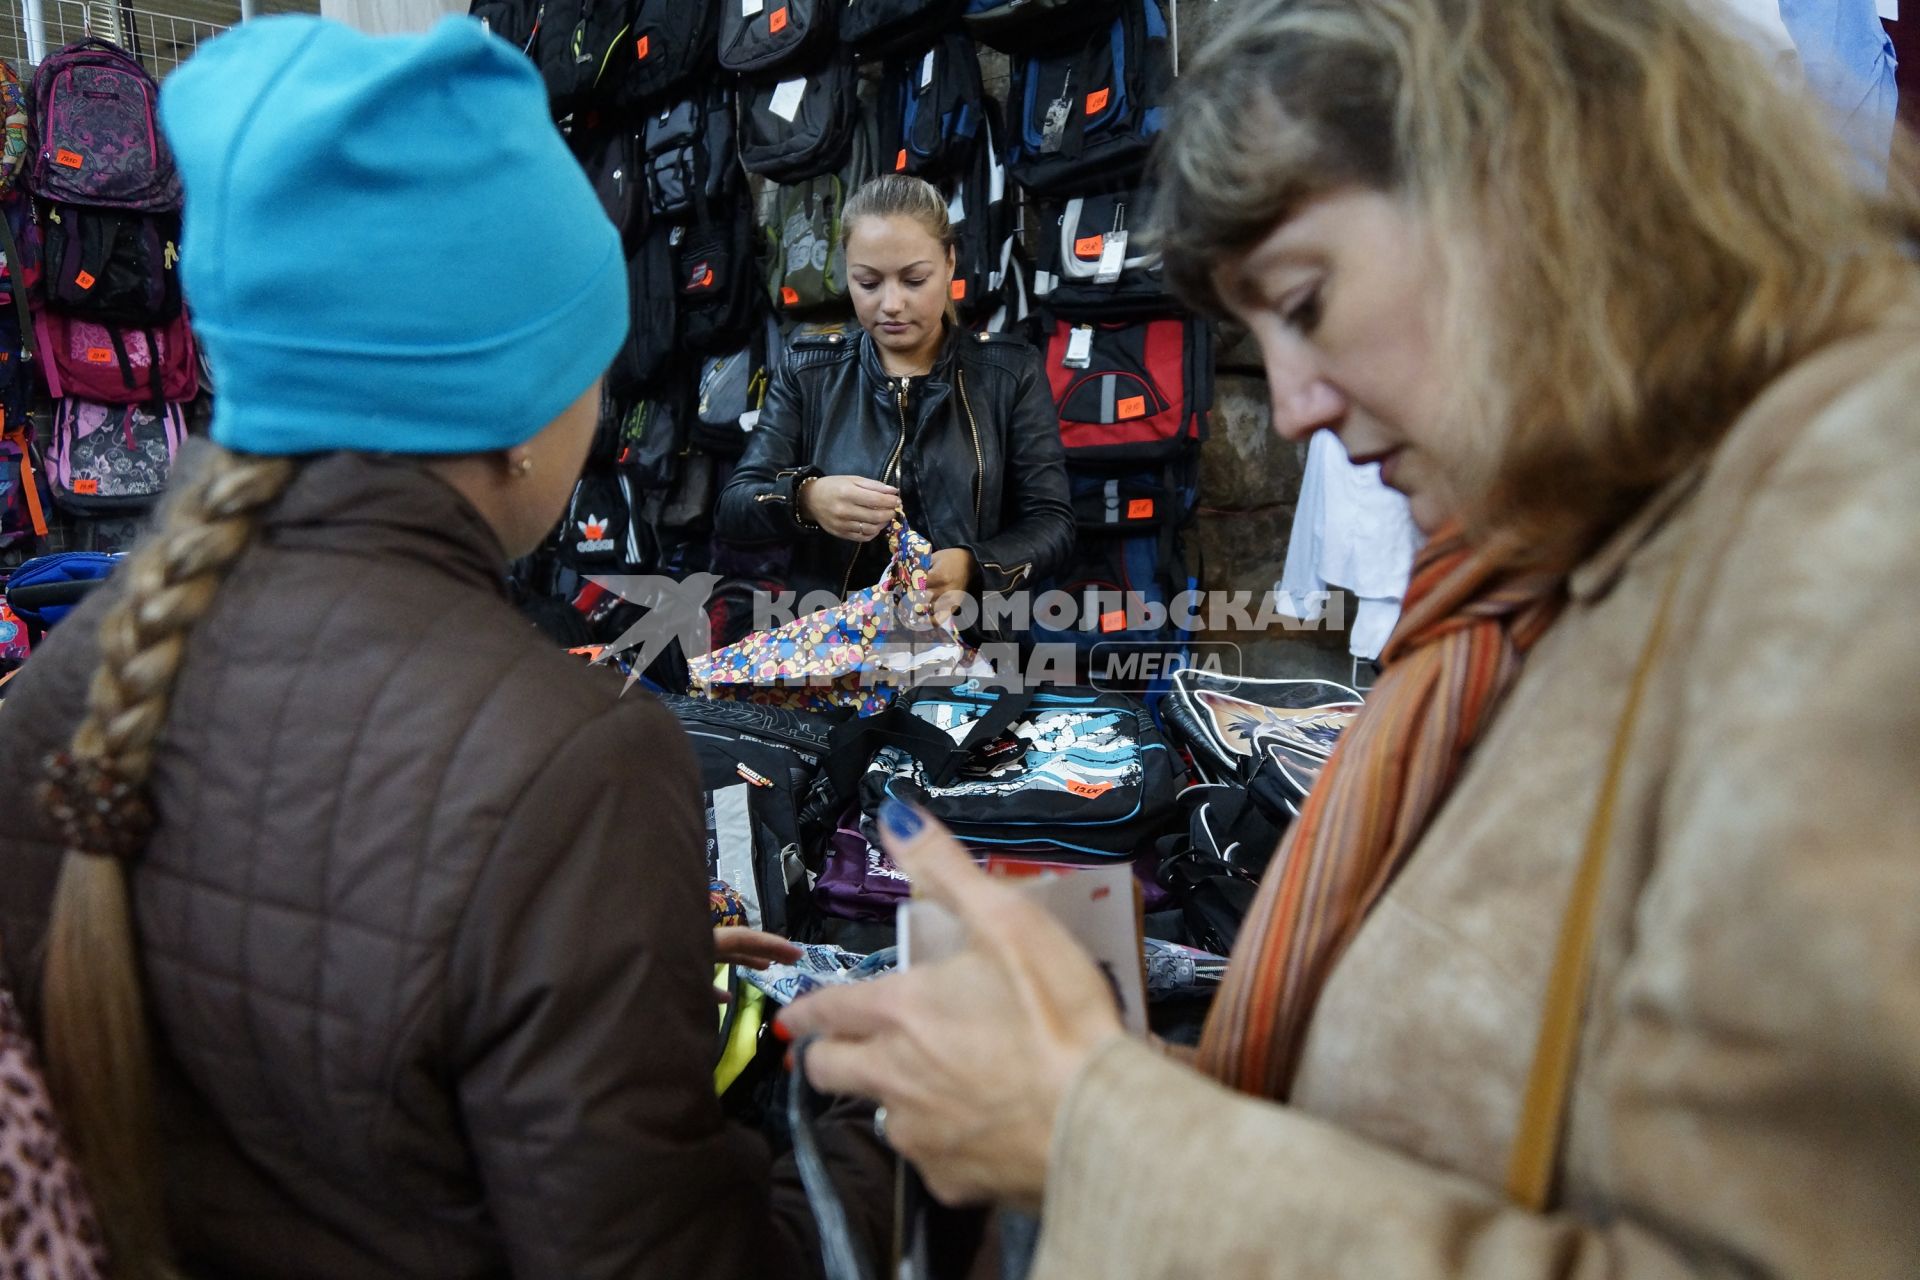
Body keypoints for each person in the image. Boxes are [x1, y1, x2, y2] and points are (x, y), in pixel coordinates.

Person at [780, 0, 1920, 1276]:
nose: (1304, 405)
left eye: (1309, 300)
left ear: (1536, 190)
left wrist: (1103, 1131)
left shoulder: (1862, 543)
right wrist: (1094, 1080)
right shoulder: (1581, 564)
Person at [0, 18, 887, 1280]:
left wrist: (593, 967)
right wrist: (886, 1138)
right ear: (515, 410)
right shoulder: (576, 769)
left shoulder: (60, 689)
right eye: (589, 363)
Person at [715, 175, 1073, 628]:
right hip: (833, 649)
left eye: (914, 279)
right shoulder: (810, 372)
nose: (891, 304)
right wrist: (806, 497)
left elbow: (1053, 522)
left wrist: (973, 564)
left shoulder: (1008, 373)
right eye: (868, 283)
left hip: (971, 653)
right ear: (847, 271)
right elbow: (734, 507)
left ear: (950, 262)